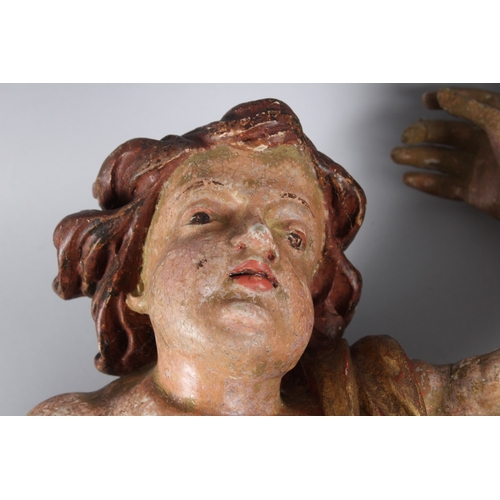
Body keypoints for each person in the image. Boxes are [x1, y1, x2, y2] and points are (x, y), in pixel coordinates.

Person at [29, 89, 500, 415]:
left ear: (313, 300)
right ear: (136, 280)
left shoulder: (373, 404)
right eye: (204, 215)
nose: (259, 236)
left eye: (294, 236)